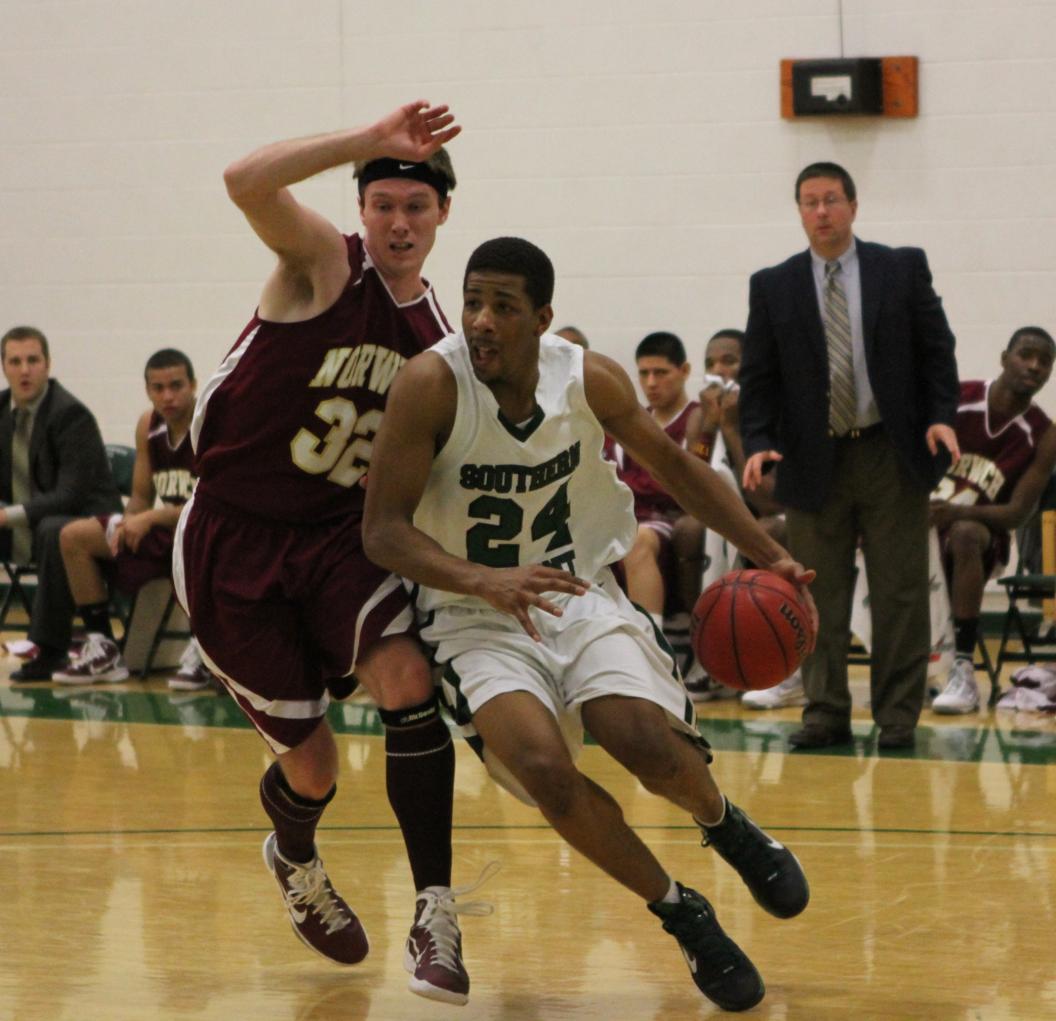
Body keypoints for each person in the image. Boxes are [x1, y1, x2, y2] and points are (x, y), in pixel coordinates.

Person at [362, 237, 817, 1013]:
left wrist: (770, 554)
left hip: (578, 591)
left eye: (503, 306)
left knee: (638, 738)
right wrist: (484, 578)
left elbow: (679, 470)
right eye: (473, 302)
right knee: (543, 768)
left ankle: (725, 823)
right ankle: (683, 912)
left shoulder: (587, 379)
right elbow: (382, 530)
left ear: (543, 319)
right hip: (474, 615)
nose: (481, 320)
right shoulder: (429, 384)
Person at [172, 101, 479, 1005]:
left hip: (345, 539)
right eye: (382, 202)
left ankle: (435, 911)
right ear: (363, 207)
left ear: (441, 220)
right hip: (234, 534)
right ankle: (294, 851)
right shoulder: (322, 264)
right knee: (312, 768)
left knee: (406, 683)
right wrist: (366, 140)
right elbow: (243, 181)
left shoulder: (440, 345)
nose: (397, 221)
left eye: (414, 209)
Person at [740, 161, 961, 750]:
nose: (821, 212)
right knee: (817, 593)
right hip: (813, 458)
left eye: (831, 200)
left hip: (891, 450)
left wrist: (941, 416)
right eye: (809, 202)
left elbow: (938, 351)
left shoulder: (901, 267)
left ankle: (896, 719)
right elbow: (758, 377)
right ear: (799, 212)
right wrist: (759, 443)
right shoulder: (773, 283)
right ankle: (825, 712)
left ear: (853, 206)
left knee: (900, 594)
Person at [49, 349, 200, 685]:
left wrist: (149, 519)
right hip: (165, 529)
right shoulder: (148, 424)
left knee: (206, 540)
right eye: (158, 388)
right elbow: (142, 496)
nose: (168, 396)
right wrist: (129, 521)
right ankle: (103, 646)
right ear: (147, 390)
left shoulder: (209, 423)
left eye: (176, 385)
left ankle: (204, 648)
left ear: (193, 385)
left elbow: (208, 505)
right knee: (74, 535)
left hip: (200, 530)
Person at [930, 326, 1056, 713]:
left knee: (966, 533)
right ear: (1004, 358)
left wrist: (956, 513)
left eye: (1044, 361)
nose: (1034, 366)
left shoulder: (1044, 434)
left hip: (983, 533)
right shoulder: (958, 399)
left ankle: (964, 668)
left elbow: (1016, 514)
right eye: (1025, 354)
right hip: (918, 521)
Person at [683, 330, 806, 708]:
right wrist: (708, 425)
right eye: (710, 364)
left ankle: (791, 667)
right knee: (688, 530)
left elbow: (768, 501)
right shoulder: (699, 416)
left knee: (770, 528)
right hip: (727, 522)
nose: (718, 371)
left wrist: (733, 428)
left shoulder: (776, 410)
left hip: (781, 515)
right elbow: (691, 488)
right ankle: (706, 649)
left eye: (728, 362)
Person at [3, 326, 123, 681]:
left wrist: (7, 515)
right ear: (4, 367)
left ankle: (50, 650)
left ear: (47, 364)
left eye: (32, 360)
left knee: (54, 529)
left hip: (87, 522)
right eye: (15, 361)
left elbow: (70, 495)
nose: (24, 370)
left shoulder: (71, 415)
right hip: (29, 523)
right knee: (45, 527)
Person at [612, 332, 700, 629]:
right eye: (644, 373)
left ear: (684, 371)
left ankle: (649, 645)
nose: (651, 383)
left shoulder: (698, 419)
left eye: (660, 373)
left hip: (670, 521)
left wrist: (635, 486)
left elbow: (686, 484)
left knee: (639, 539)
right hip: (626, 518)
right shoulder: (632, 420)